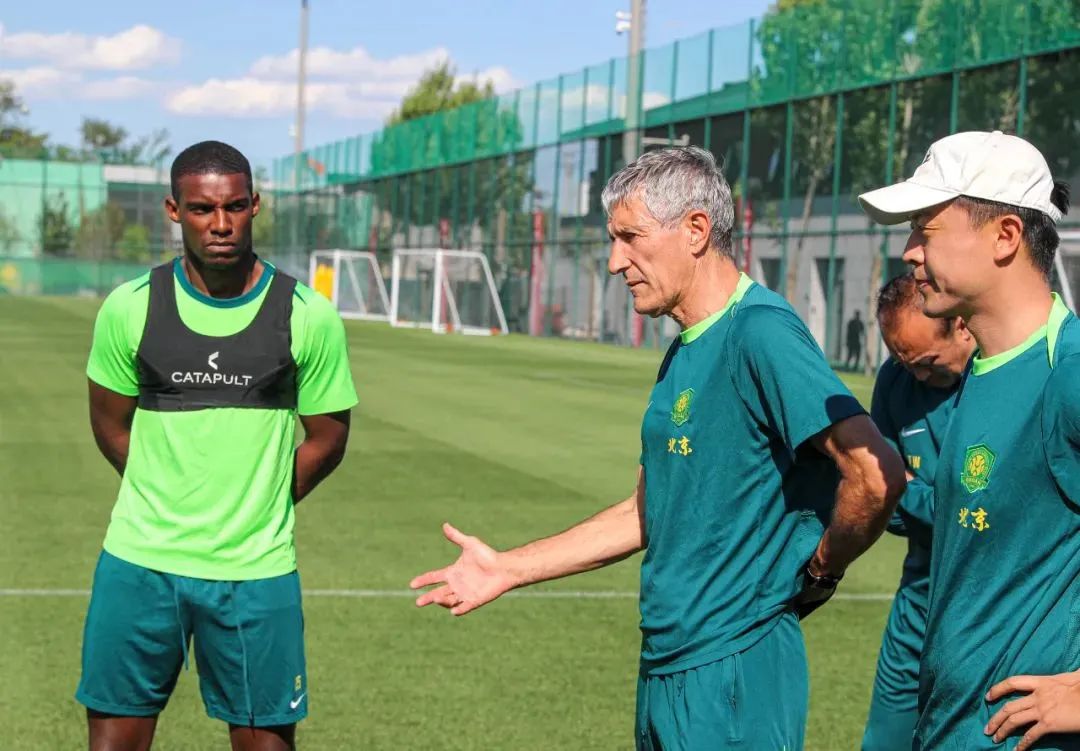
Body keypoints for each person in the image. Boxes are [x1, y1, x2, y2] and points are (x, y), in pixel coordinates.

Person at [410, 146, 905, 750]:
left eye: (630, 237)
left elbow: (873, 471)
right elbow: (648, 510)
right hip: (669, 662)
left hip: (734, 665)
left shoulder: (761, 332)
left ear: (695, 230)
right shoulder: (685, 348)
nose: (615, 261)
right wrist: (509, 567)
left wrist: (822, 568)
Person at [77, 141, 358, 751]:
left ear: (255, 205)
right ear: (174, 211)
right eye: (203, 209)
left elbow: (329, 438)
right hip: (139, 562)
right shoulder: (129, 308)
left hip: (255, 571)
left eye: (234, 207)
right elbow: (110, 426)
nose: (221, 224)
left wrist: (260, 502)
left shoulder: (307, 315)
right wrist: (165, 494)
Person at [859, 130, 1078, 750]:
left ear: (1005, 236)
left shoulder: (1067, 371)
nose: (909, 252)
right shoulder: (980, 370)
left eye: (924, 230)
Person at [861, 272, 975, 751]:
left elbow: (986, 513)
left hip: (986, 603)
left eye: (926, 363)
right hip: (918, 599)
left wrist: (918, 493)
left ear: (962, 326)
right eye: (905, 363)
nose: (918, 377)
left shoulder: (999, 379)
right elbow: (881, 495)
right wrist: (937, 500)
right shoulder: (895, 380)